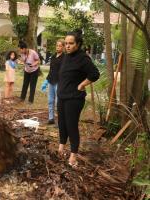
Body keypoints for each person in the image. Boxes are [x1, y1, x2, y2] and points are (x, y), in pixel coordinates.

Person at [57, 30, 100, 167]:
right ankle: (61, 148)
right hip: (62, 96)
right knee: (62, 124)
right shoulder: (65, 56)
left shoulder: (83, 58)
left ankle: (73, 156)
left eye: (71, 43)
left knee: (71, 126)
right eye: (66, 43)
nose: (67, 46)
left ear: (78, 44)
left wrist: (82, 84)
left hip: (74, 99)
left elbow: (94, 74)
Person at [41, 39, 65, 124]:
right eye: (57, 45)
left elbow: (63, 71)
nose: (58, 47)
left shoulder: (64, 58)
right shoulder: (54, 56)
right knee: (50, 100)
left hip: (59, 82)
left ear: (63, 47)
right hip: (51, 81)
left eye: (60, 46)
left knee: (58, 102)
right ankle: (51, 118)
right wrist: (46, 81)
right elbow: (51, 70)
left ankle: (60, 120)